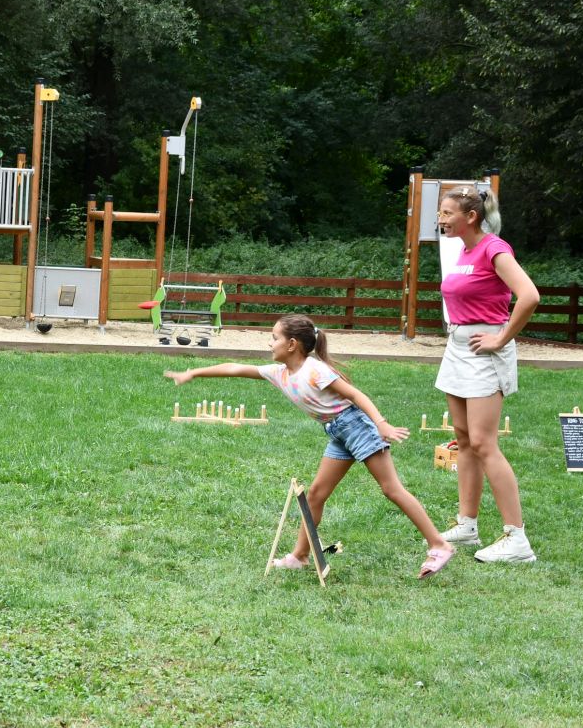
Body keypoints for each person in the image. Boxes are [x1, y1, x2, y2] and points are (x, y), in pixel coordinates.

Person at [164, 314, 455, 578]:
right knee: (315, 495)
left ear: (292, 344)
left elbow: (354, 394)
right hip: (337, 431)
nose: (270, 342)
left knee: (391, 488)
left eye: (274, 337)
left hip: (355, 426)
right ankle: (299, 556)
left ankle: (439, 544)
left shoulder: (314, 370)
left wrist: (380, 423)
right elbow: (236, 368)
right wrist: (194, 372)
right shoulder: (280, 373)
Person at [434, 185, 540, 562]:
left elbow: (529, 296)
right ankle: (467, 525)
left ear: (471, 217)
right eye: (440, 213)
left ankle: (517, 540)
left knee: (483, 443)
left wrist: (501, 338)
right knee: (463, 440)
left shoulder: (494, 248)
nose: (441, 219)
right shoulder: (462, 251)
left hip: (484, 352)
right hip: (458, 348)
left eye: (447, 213)